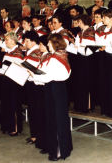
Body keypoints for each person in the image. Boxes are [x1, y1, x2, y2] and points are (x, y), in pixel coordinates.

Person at [28, 33, 73, 161]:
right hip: (57, 88)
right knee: (58, 119)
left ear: (54, 43)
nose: (47, 44)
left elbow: (48, 76)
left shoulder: (54, 58)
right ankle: (63, 149)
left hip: (54, 89)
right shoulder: (61, 55)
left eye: (49, 42)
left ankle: (58, 152)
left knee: (55, 120)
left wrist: (33, 75)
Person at [0, 32, 24, 136]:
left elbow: (17, 66)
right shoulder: (7, 52)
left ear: (13, 41)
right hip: (6, 78)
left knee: (14, 104)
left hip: (14, 80)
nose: (5, 41)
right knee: (6, 103)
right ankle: (7, 126)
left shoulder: (18, 52)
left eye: (7, 40)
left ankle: (15, 128)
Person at [22, 31, 43, 145]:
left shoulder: (36, 53)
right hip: (30, 84)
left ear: (33, 41)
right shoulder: (30, 52)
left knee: (35, 110)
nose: (24, 43)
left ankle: (37, 136)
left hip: (36, 84)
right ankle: (34, 135)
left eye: (27, 41)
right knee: (32, 110)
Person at [72, 15, 96, 113]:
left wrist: (77, 48)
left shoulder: (90, 32)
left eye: (78, 21)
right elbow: (78, 45)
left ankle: (88, 106)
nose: (77, 23)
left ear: (82, 21)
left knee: (86, 81)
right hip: (81, 58)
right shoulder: (80, 32)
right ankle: (80, 105)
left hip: (88, 59)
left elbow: (88, 49)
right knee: (80, 81)